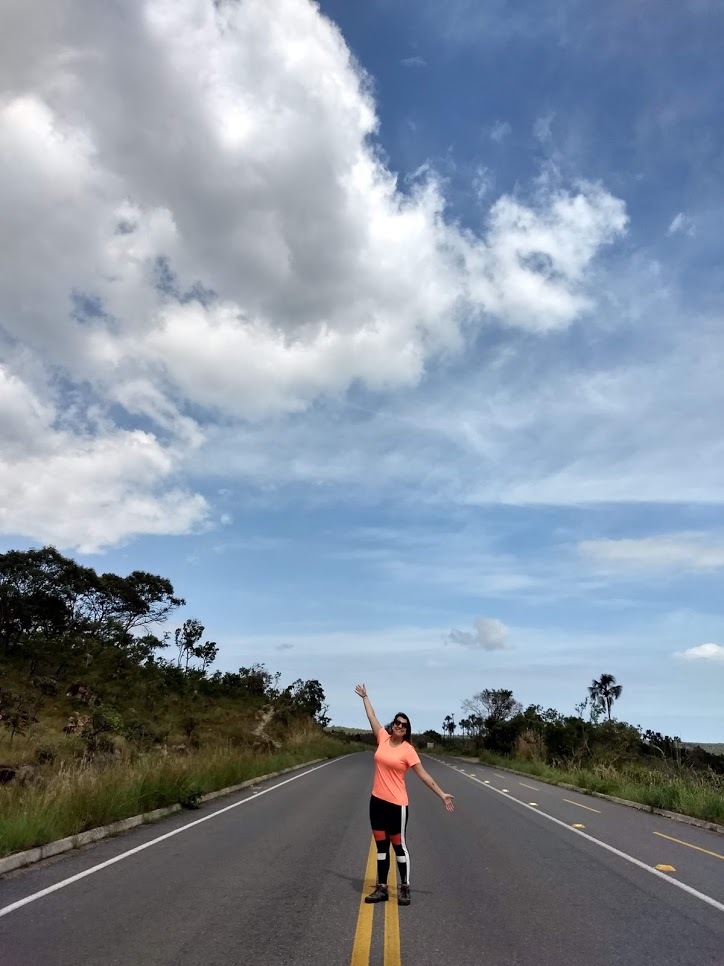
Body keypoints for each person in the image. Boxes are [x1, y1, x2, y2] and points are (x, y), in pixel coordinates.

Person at [355, 683, 454, 906]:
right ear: (392, 725)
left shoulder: (408, 750)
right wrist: (365, 697)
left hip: (397, 805)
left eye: (404, 725)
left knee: (399, 846)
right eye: (397, 723)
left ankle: (405, 887)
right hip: (377, 802)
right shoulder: (382, 737)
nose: (400, 726)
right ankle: (381, 887)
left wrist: (442, 794)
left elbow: (424, 775)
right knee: (381, 847)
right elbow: (371, 716)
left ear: (407, 730)